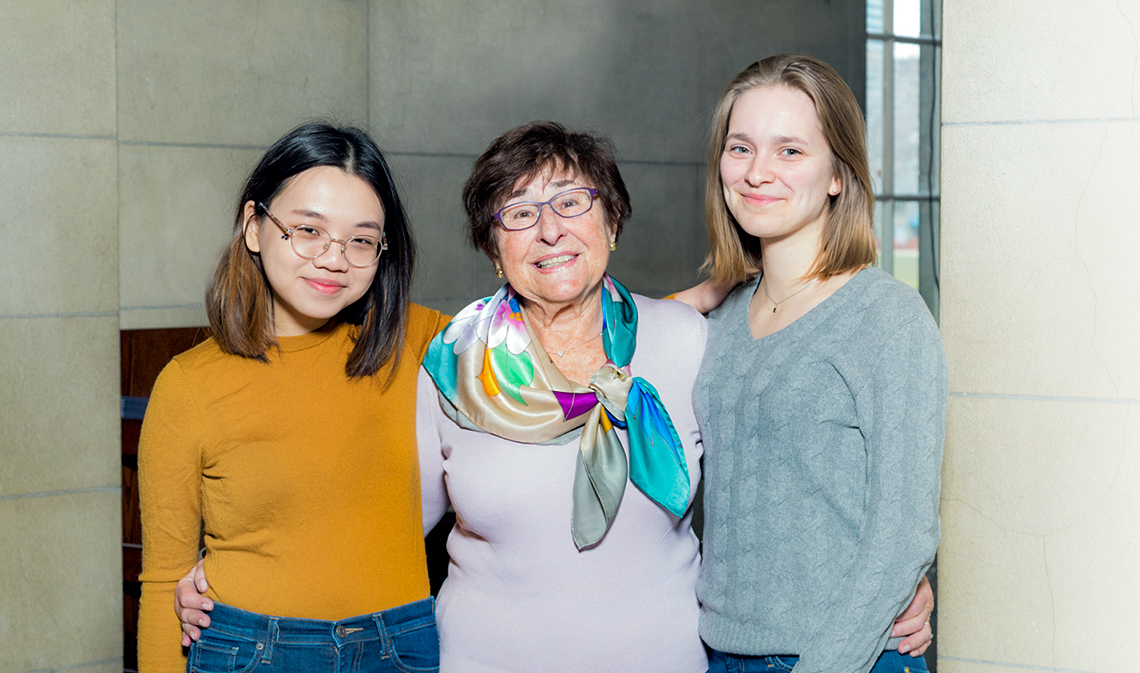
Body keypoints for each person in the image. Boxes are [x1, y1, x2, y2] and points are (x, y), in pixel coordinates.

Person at [172, 121, 937, 670]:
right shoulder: (445, 364)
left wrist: (896, 582)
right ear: (491, 244)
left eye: (573, 203)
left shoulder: (688, 340)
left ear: (612, 220)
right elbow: (383, 517)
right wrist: (238, 573)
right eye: (519, 212)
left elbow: (786, 473)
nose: (550, 230)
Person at [137, 122, 448, 673]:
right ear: (254, 226)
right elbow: (165, 580)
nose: (334, 259)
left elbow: (554, 339)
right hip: (248, 648)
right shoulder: (189, 384)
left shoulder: (425, 345)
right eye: (308, 229)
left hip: (399, 647)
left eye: (361, 239)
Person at [690, 54, 947, 673]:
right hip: (715, 650)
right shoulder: (717, 321)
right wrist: (695, 298)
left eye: (790, 151)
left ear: (838, 175)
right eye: (741, 148)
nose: (757, 173)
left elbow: (903, 534)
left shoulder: (886, 318)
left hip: (839, 658)